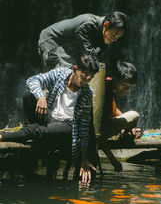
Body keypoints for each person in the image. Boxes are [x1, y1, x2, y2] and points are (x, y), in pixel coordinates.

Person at [0, 55, 99, 184]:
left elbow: (84, 129)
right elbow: (32, 80)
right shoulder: (60, 73)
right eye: (84, 75)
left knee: (36, 130)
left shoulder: (87, 94)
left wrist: (84, 158)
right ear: (75, 69)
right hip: (50, 118)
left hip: (68, 126)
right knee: (28, 94)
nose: (86, 81)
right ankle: (30, 132)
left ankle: (4, 137)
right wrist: (41, 97)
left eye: (90, 78)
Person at [38, 11, 128, 70]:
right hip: (51, 42)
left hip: (67, 48)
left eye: (118, 37)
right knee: (56, 79)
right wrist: (104, 44)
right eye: (114, 34)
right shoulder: (88, 25)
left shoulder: (102, 30)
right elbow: (90, 55)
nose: (114, 39)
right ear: (106, 24)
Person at [100, 61, 141, 172]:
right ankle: (125, 133)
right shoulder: (102, 89)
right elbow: (97, 136)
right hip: (99, 132)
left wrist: (127, 126)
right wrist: (113, 160)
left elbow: (113, 110)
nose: (126, 90)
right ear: (115, 78)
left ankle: (125, 133)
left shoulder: (108, 85)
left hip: (104, 127)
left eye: (129, 87)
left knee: (131, 118)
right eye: (124, 85)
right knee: (134, 115)